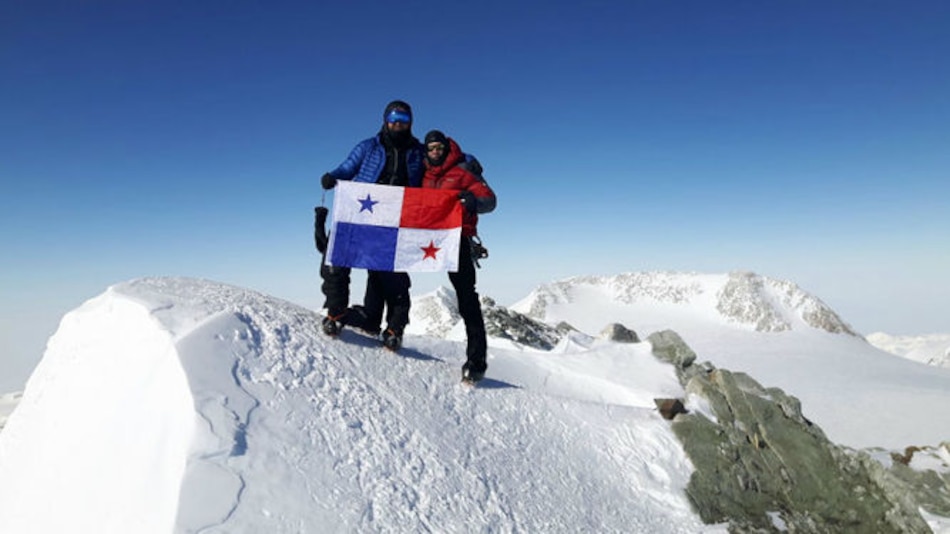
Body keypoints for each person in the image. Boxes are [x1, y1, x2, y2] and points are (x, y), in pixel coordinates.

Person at [319, 100, 425, 350]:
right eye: (394, 119)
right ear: (385, 120)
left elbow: (433, 175)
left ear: (410, 123)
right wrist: (333, 176)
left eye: (404, 120)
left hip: (394, 219)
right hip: (359, 213)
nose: (398, 124)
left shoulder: (418, 152)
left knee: (392, 275)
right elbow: (348, 167)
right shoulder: (369, 146)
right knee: (336, 261)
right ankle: (335, 313)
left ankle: (394, 329)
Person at [421, 130, 496, 383]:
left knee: (466, 297)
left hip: (457, 239)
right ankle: (390, 328)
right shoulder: (421, 174)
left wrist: (471, 201)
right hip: (425, 239)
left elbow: (490, 201)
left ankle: (476, 360)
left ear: (446, 149)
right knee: (393, 276)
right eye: (430, 149)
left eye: (439, 148)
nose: (435, 153)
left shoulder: (462, 172)